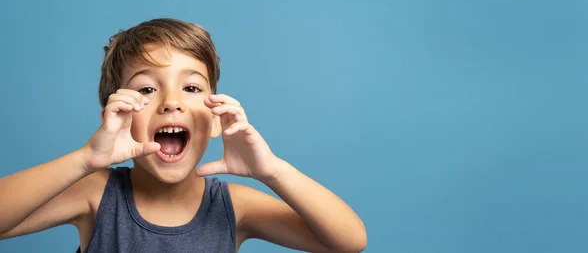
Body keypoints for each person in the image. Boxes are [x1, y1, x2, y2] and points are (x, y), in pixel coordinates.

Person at [0, 18, 367, 252]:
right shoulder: (95, 193)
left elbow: (349, 242)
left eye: (191, 88)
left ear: (215, 120)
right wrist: (86, 159)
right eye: (146, 90)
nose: (172, 102)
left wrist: (271, 170)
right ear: (118, 118)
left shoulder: (235, 207)